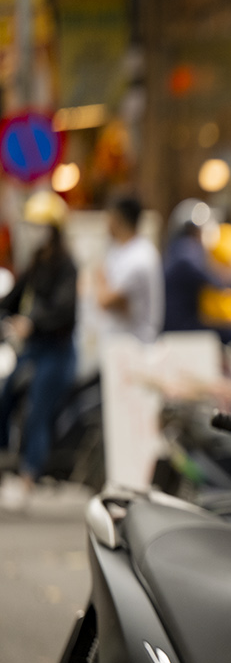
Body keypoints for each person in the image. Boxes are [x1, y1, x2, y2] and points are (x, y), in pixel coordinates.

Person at [0, 192, 78, 507]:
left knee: (37, 410)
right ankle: (6, 463)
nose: (34, 231)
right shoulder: (36, 262)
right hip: (32, 349)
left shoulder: (67, 265)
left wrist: (32, 324)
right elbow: (14, 297)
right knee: (5, 397)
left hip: (56, 352)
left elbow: (63, 309)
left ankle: (29, 478)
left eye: (39, 226)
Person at [95, 193, 164, 342]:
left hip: (135, 348)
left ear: (117, 218)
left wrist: (100, 279)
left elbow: (106, 301)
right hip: (119, 347)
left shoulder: (140, 257)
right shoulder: (119, 251)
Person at [161, 199, 221, 334]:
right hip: (179, 324)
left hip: (177, 320)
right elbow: (215, 281)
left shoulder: (178, 248)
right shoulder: (187, 251)